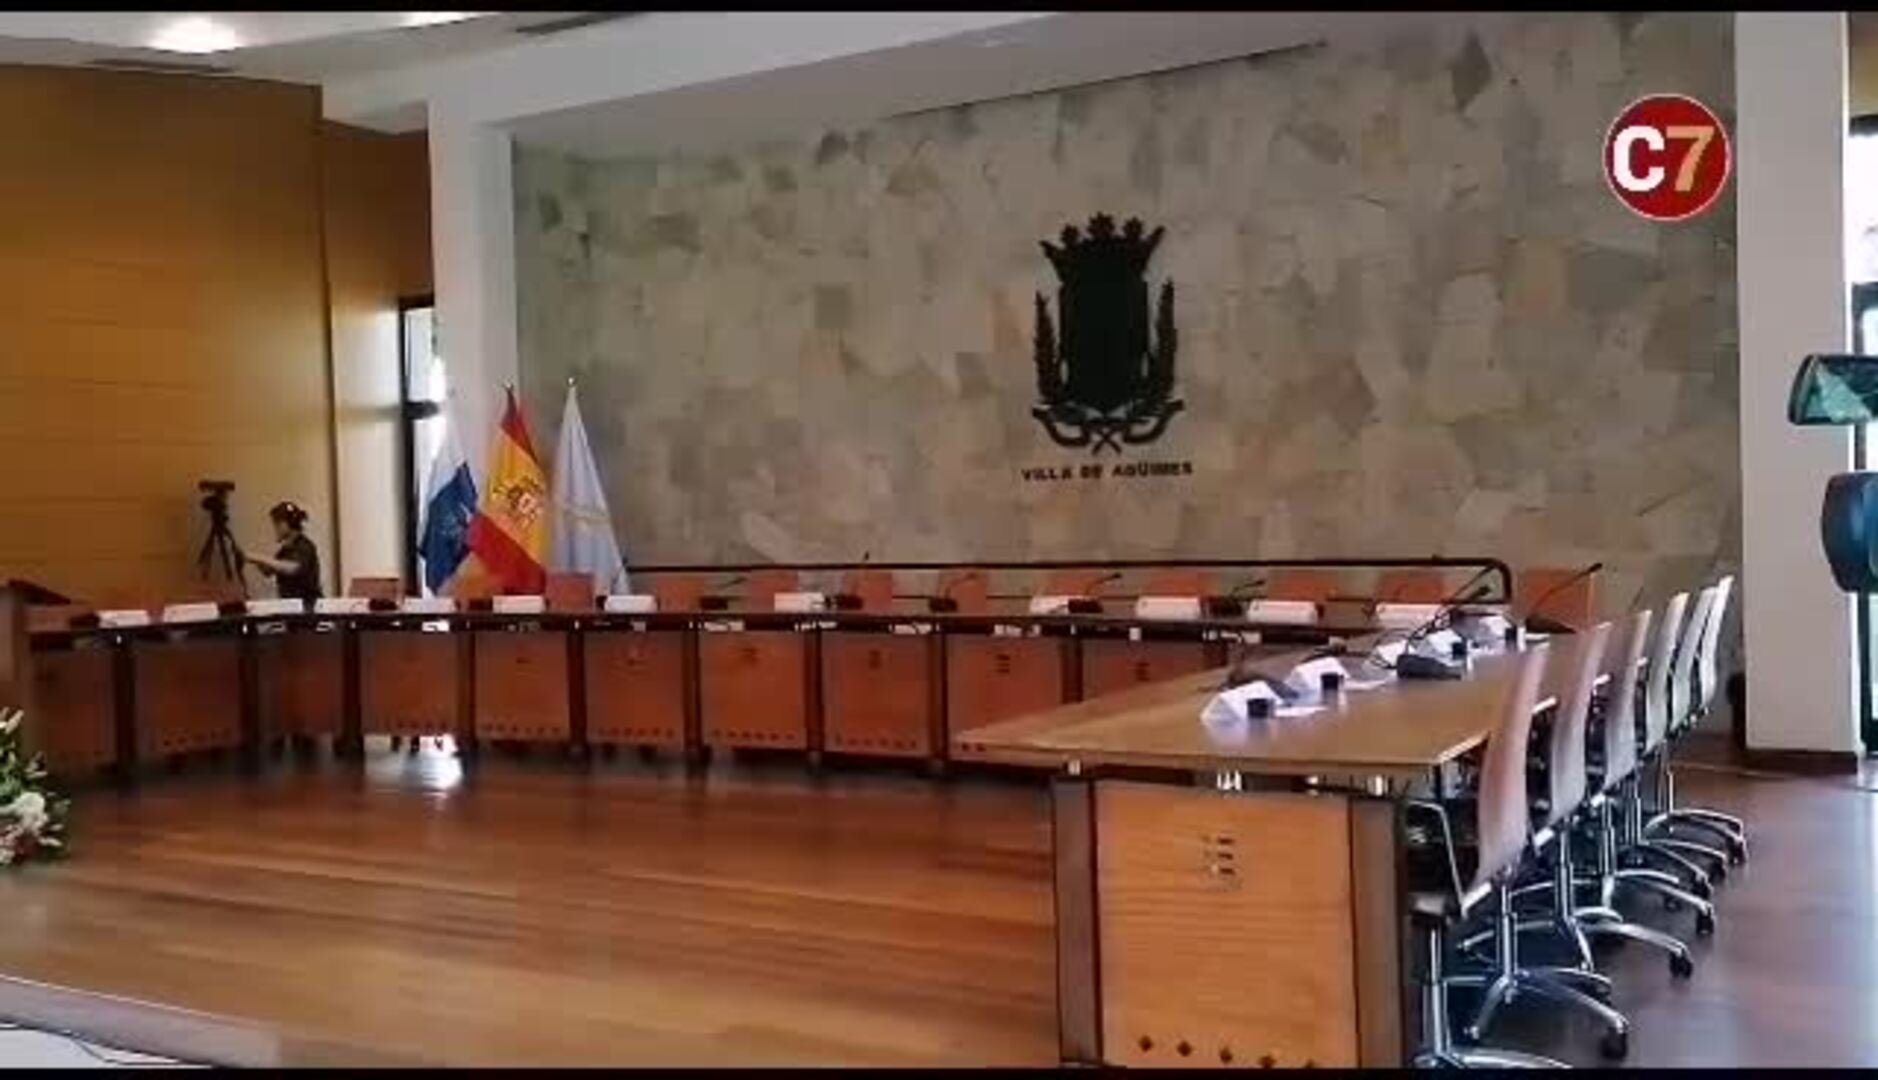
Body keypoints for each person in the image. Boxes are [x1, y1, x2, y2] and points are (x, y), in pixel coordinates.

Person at [237, 501, 324, 604]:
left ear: (286, 524)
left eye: (277, 523)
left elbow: (292, 568)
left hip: (307, 606)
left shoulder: (305, 546)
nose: (275, 528)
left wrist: (255, 557)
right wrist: (250, 559)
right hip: (291, 605)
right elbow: (268, 571)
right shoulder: (285, 550)